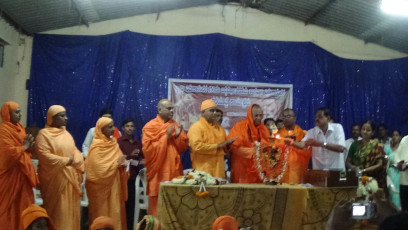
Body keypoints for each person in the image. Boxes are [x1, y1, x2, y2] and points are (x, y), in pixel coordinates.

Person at [35, 105, 84, 230]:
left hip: (70, 179)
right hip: (55, 181)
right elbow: (44, 156)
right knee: (59, 212)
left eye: (65, 115)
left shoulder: (66, 134)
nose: (66, 118)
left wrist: (77, 161)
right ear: (52, 118)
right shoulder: (43, 134)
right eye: (62, 116)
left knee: (70, 211)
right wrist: (66, 161)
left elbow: (75, 151)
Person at [142, 99, 188, 216]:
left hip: (174, 169)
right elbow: (148, 150)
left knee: (175, 202)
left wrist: (177, 137)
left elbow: (182, 148)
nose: (172, 111)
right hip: (158, 171)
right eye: (169, 108)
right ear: (159, 110)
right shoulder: (150, 126)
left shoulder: (175, 125)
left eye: (173, 108)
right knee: (158, 204)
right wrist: (166, 136)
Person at [0, 101, 39, 230]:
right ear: (8, 114)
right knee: (9, 209)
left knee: (24, 206)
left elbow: (23, 148)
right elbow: (7, 155)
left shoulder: (20, 127)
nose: (20, 115)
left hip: (22, 176)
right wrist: (24, 147)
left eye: (20, 111)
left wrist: (29, 147)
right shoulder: (3, 130)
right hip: (10, 176)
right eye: (16, 112)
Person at [85, 117, 128, 230]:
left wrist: (123, 164)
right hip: (100, 190)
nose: (113, 129)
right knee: (101, 216)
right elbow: (98, 171)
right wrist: (116, 165)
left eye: (113, 126)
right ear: (101, 129)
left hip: (114, 186)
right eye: (109, 127)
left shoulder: (114, 143)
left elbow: (120, 160)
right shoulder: (96, 146)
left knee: (115, 211)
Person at [188, 99, 235, 178]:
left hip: (219, 171)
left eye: (216, 111)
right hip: (203, 171)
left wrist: (228, 146)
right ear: (203, 112)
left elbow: (223, 149)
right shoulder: (196, 127)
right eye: (211, 111)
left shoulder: (220, 129)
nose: (215, 113)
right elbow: (197, 146)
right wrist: (217, 146)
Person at [227, 104, 268, 183]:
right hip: (242, 168)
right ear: (250, 115)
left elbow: (267, 146)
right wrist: (253, 152)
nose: (259, 118)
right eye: (256, 115)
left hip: (258, 170)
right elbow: (234, 148)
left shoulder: (263, 129)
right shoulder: (239, 126)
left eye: (260, 115)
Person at [117, 117, 144, 229]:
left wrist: (141, 161)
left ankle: (131, 226)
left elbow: (141, 159)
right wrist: (130, 156)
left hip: (134, 178)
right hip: (122, 179)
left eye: (132, 126)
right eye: (127, 126)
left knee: (132, 205)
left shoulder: (138, 142)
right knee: (123, 205)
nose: (130, 128)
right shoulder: (118, 142)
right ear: (123, 128)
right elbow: (118, 160)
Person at [346, 121, 386, 188]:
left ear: (372, 132)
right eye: (363, 129)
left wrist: (364, 170)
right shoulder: (354, 145)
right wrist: (354, 168)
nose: (365, 132)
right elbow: (347, 162)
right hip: (356, 177)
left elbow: (380, 164)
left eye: (368, 130)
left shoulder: (377, 146)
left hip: (372, 180)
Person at [277, 108, 311, 184]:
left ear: (294, 118)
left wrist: (294, 145)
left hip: (298, 170)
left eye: (289, 116)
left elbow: (307, 151)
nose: (286, 118)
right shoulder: (278, 134)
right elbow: (275, 152)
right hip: (283, 172)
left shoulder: (302, 134)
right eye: (284, 116)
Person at [385, 130, 402, 209]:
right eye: (393, 135)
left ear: (400, 137)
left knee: (398, 192)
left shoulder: (403, 148)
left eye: (397, 135)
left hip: (400, 173)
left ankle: (399, 210)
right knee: (391, 192)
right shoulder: (386, 148)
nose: (395, 137)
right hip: (390, 173)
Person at [395, 135, 408, 211]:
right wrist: (399, 163)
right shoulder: (405, 139)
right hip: (404, 182)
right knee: (405, 210)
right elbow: (397, 155)